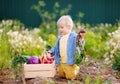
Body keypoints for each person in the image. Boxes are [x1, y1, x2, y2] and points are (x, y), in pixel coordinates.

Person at [48, 15, 79, 80]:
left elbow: (79, 42)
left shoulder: (73, 36)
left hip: (69, 61)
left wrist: (80, 39)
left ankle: (75, 69)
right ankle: (65, 71)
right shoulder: (60, 38)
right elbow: (56, 47)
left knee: (70, 76)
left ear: (68, 27)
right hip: (61, 61)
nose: (60, 29)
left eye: (62, 27)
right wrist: (52, 51)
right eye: (59, 28)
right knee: (61, 75)